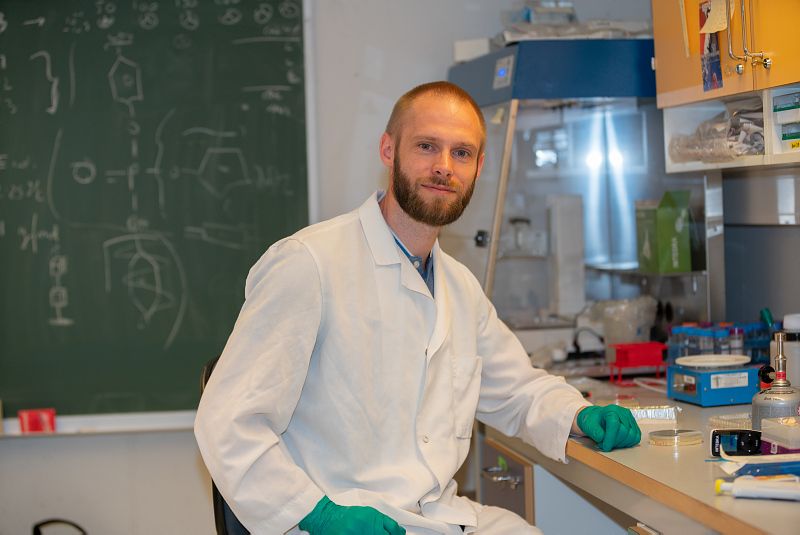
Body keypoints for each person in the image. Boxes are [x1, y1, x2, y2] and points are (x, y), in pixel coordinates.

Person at [195, 81, 641, 535]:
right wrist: (319, 514)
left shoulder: (459, 286)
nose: (444, 166)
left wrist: (577, 414)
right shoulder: (309, 264)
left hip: (438, 517)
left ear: (479, 167)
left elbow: (517, 390)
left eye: (461, 153)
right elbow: (227, 421)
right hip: (340, 521)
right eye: (427, 146)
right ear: (388, 150)